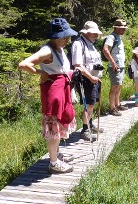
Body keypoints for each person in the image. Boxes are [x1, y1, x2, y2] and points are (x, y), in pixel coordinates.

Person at [18, 18, 78, 174]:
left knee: (58, 124)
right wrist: (40, 72)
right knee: (53, 127)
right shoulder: (47, 50)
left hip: (60, 91)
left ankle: (56, 155)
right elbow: (23, 64)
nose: (67, 39)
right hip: (53, 93)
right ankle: (53, 163)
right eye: (64, 36)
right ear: (56, 36)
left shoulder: (58, 48)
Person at [71, 21, 104, 141]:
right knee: (88, 105)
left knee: (92, 103)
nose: (96, 35)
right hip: (85, 79)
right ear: (87, 33)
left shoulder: (90, 43)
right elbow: (78, 65)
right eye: (94, 33)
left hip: (94, 79)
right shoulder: (79, 44)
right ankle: (85, 130)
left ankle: (90, 124)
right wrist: (90, 77)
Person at [102, 19, 129, 116]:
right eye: (122, 28)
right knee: (114, 86)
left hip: (120, 66)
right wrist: (113, 63)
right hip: (115, 67)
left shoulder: (118, 37)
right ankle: (112, 108)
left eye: (124, 28)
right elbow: (105, 50)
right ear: (116, 28)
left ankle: (117, 104)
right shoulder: (111, 37)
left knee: (119, 85)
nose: (124, 30)